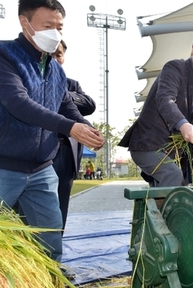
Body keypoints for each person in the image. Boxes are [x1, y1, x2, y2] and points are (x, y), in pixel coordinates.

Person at [0, 0, 103, 276]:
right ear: (25, 22)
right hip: (4, 167)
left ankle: (50, 275)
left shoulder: (56, 69)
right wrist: (70, 128)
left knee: (50, 235)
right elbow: (18, 103)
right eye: (48, 26)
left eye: (59, 27)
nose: (55, 33)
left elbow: (65, 105)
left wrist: (84, 127)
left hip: (42, 170)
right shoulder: (5, 56)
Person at [118, 28, 193, 187]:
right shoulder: (175, 68)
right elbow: (165, 99)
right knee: (172, 175)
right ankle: (164, 212)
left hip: (174, 153)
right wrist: (183, 124)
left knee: (182, 184)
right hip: (149, 145)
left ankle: (155, 209)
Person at [52, 39, 96, 232]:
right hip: (36, 151)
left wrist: (62, 93)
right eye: (50, 53)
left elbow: (89, 105)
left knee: (61, 205)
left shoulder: (71, 85)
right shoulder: (27, 80)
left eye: (58, 54)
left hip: (66, 151)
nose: (54, 58)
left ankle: (54, 251)